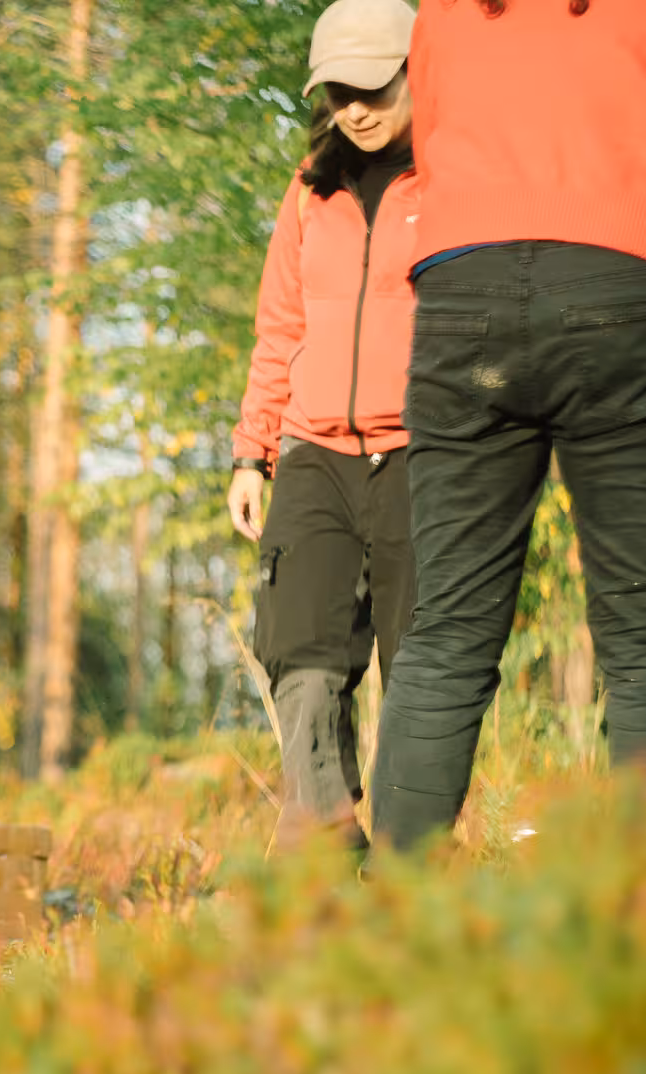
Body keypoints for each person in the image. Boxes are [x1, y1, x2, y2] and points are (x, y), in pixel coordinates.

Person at [370, 0, 646, 850]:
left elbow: (433, 152)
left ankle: (390, 925)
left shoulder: (447, 10)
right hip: (631, 297)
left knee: (446, 628)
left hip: (462, 297)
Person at [230, 0, 421, 849]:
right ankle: (323, 836)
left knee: (419, 661)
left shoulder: (454, 180)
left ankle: (415, 858)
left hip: (424, 452)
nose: (356, 107)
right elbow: (281, 324)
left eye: (375, 86)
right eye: (339, 89)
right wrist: (251, 452)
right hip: (312, 450)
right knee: (297, 646)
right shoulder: (311, 188)